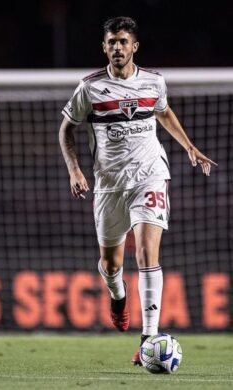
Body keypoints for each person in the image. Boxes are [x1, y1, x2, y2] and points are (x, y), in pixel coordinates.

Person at [58, 16, 216, 366]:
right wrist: (74, 169)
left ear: (134, 47)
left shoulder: (155, 82)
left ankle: (148, 340)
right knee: (112, 265)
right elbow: (66, 129)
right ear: (104, 47)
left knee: (147, 254)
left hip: (150, 176)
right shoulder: (90, 88)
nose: (117, 47)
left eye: (123, 42)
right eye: (111, 42)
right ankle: (117, 296)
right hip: (109, 185)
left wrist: (188, 146)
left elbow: (164, 112)